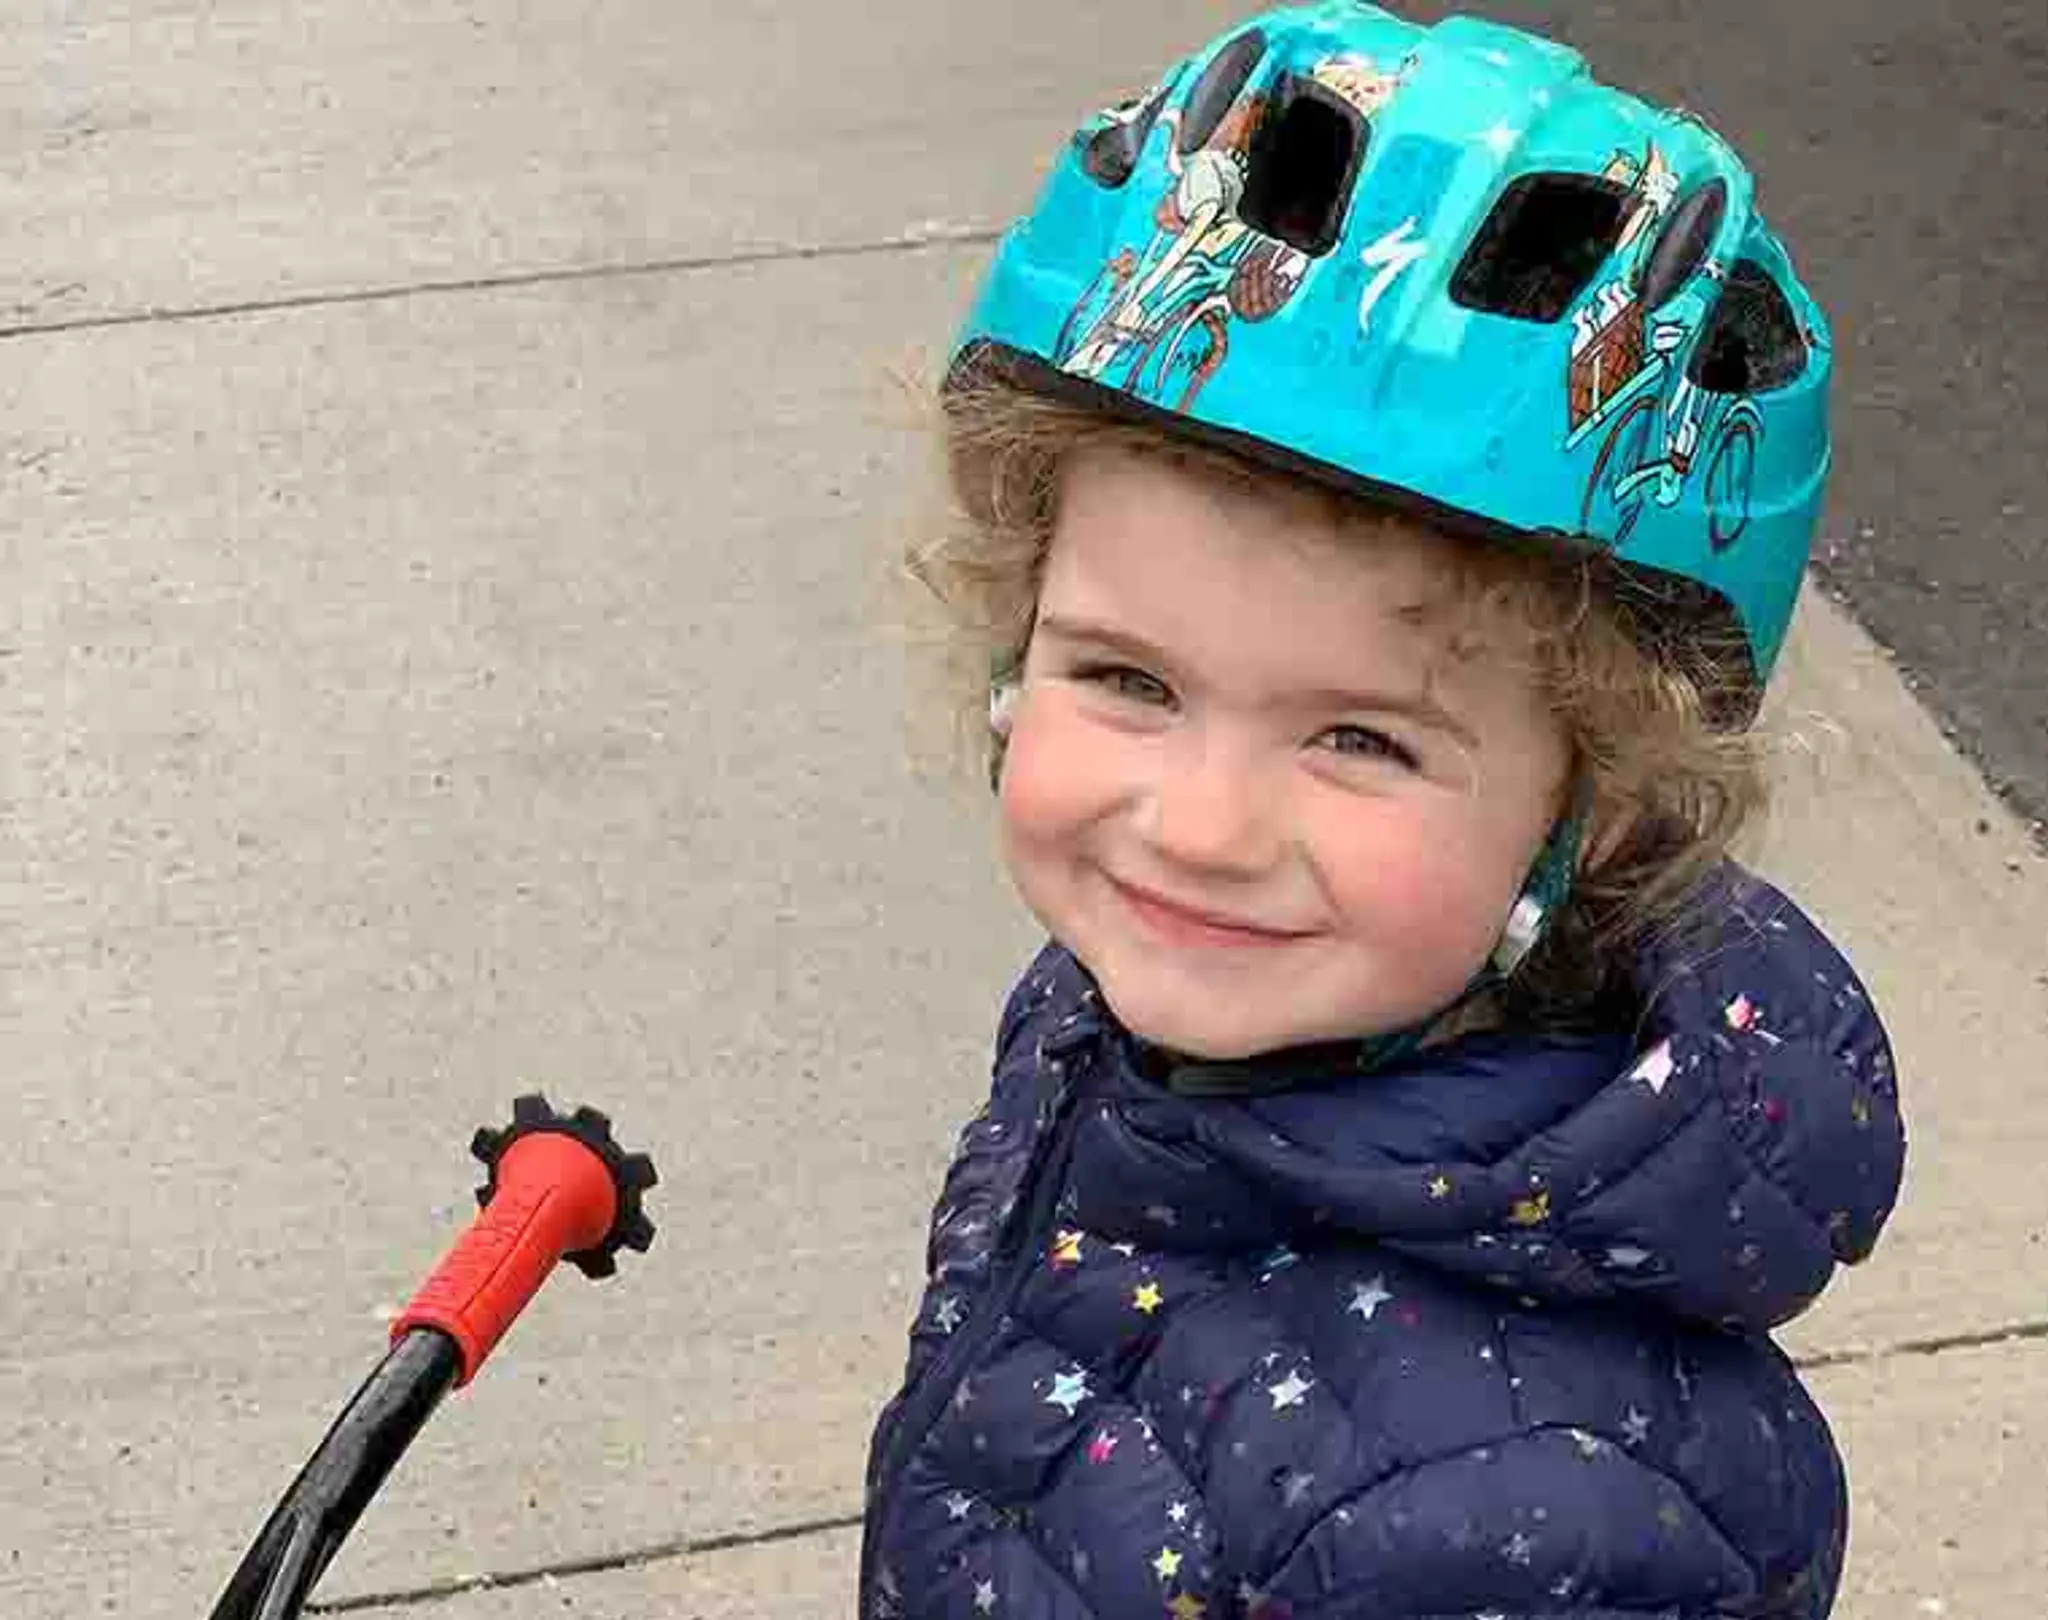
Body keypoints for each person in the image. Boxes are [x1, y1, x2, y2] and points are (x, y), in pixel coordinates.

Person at [861, 6, 1906, 1616]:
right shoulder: (1137, 1025)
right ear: (1019, 638)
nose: (1198, 828)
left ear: (1608, 810)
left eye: (1360, 739)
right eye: (1129, 679)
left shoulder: (1521, 1527)